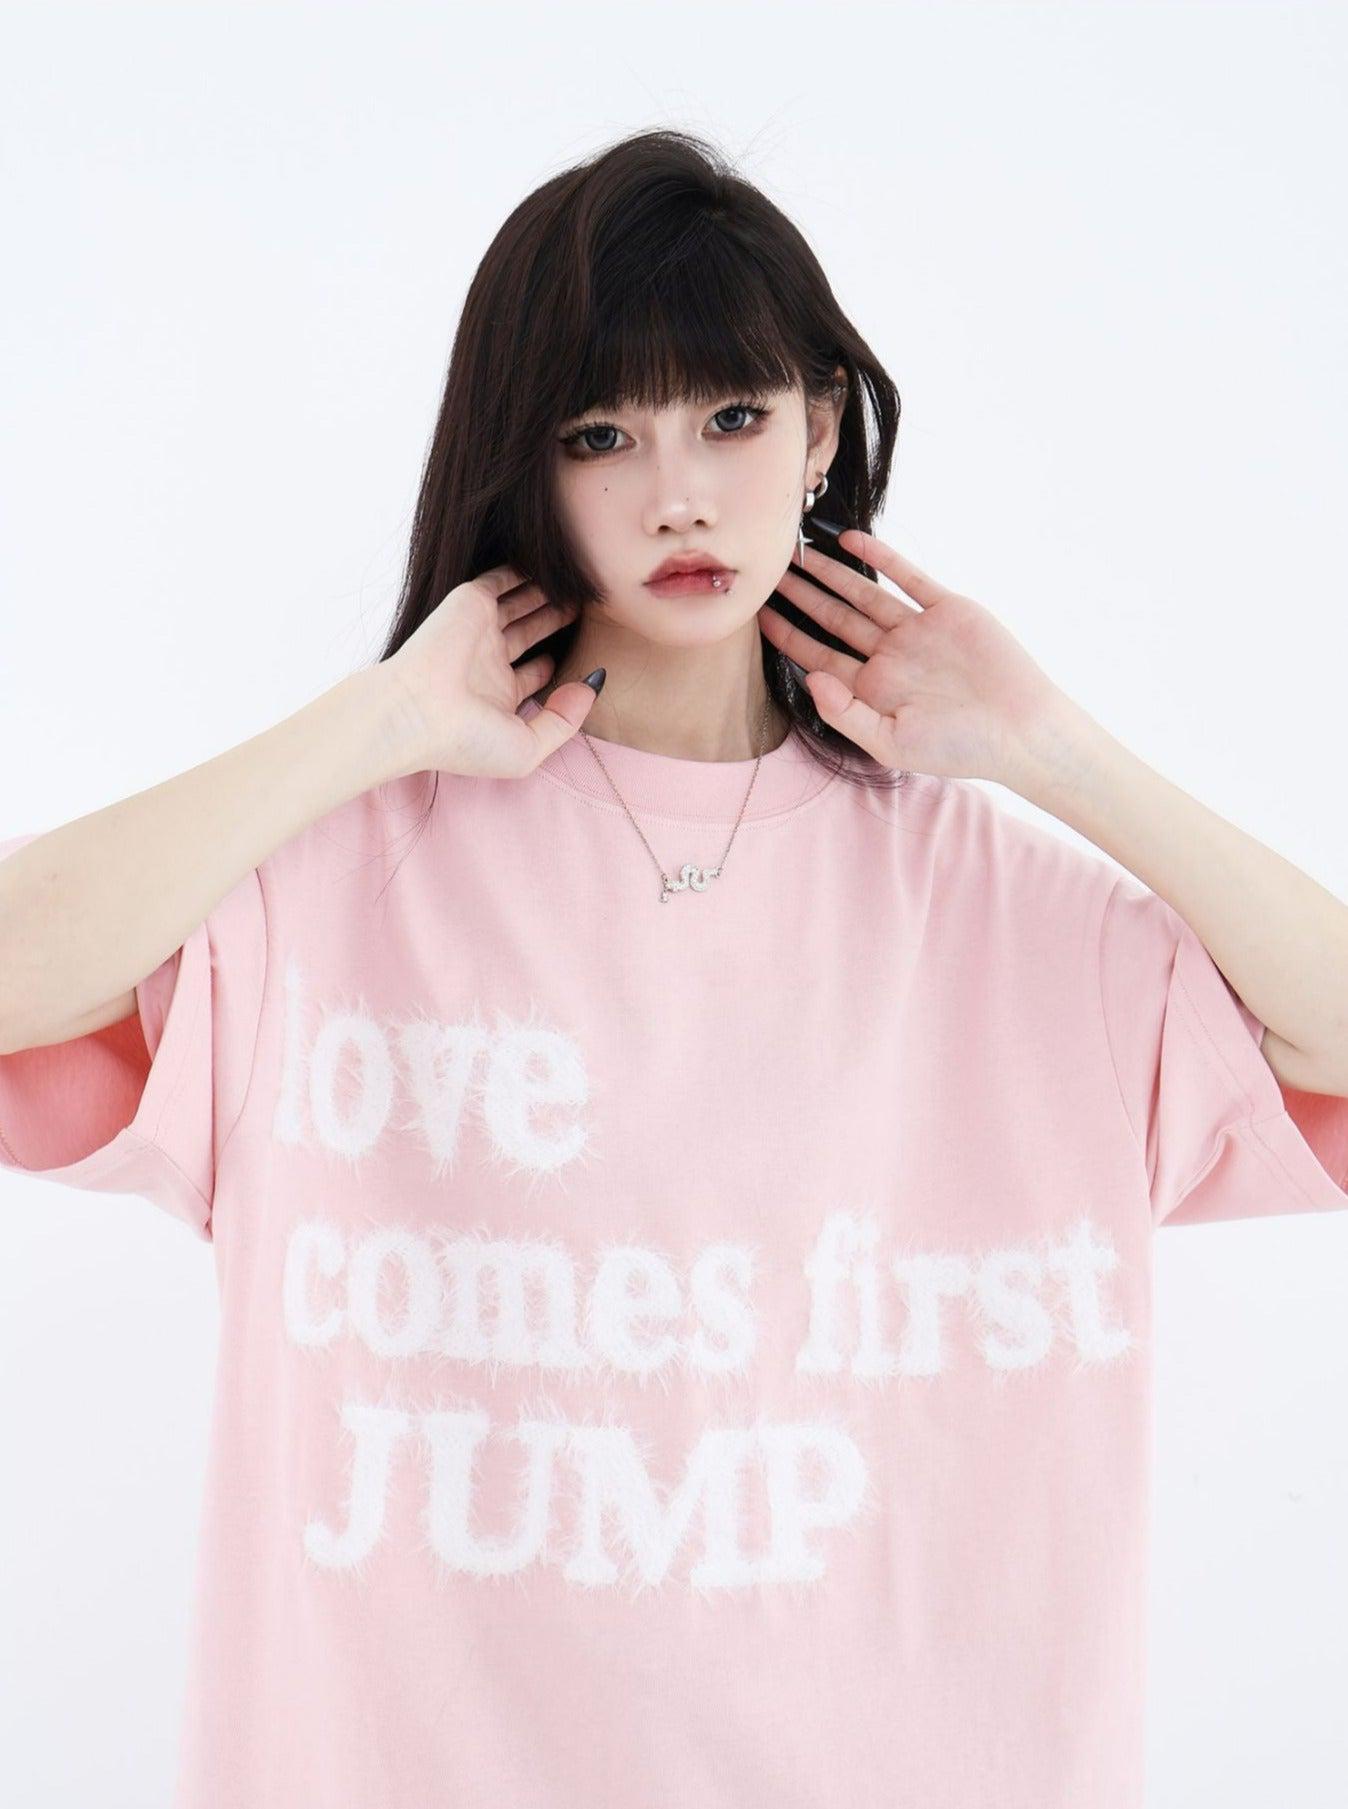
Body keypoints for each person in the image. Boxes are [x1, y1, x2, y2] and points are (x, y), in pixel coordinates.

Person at [2, 126, 1346, 1809]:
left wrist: (1049, 748)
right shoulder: (343, 887)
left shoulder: (1002, 910)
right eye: (601, 435)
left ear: (822, 430)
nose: (678, 494)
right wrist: (377, 723)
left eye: (731, 417)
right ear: (528, 465)